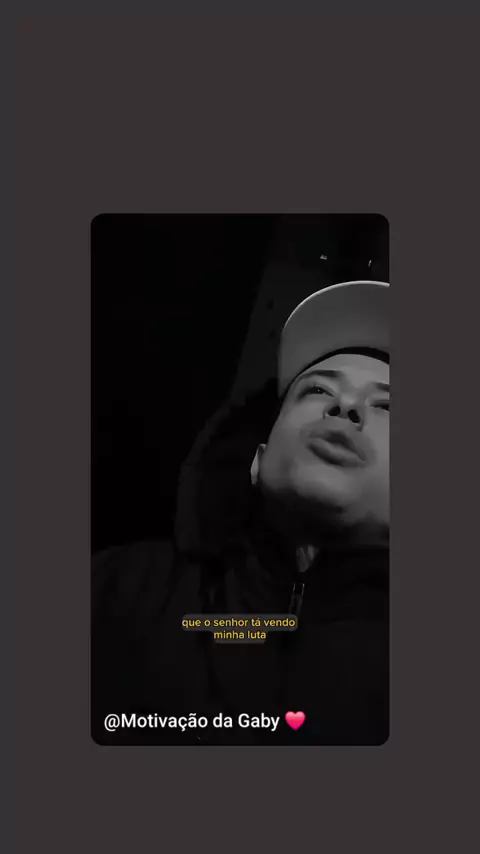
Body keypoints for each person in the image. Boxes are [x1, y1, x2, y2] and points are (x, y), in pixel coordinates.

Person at [91, 280, 390, 745]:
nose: (345, 406)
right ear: (257, 459)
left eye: (387, 405)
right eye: (317, 390)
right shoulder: (113, 593)